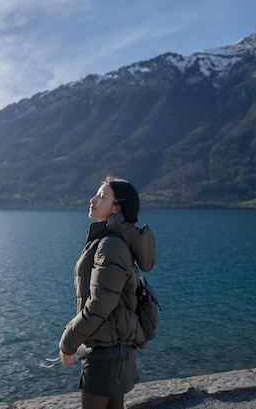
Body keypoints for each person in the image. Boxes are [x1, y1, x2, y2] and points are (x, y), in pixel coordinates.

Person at [59, 175, 156, 409]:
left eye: (102, 196)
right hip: (114, 349)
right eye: (96, 194)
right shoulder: (109, 241)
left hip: (105, 353)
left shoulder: (110, 245)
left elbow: (100, 304)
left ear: (117, 208)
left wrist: (68, 341)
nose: (93, 199)